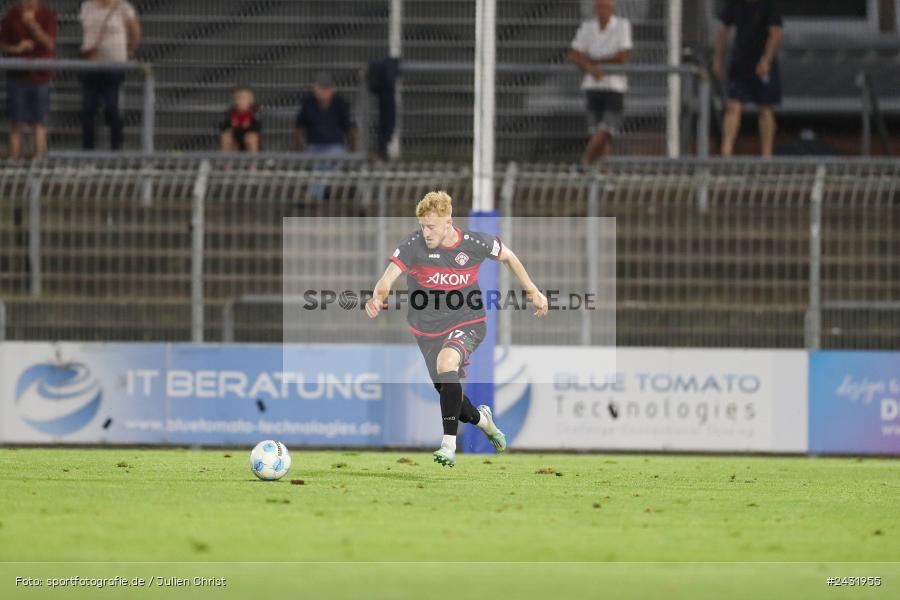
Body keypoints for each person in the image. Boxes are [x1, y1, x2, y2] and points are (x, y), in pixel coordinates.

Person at [365, 191, 549, 468]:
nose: (426, 232)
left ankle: (449, 445)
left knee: (447, 361)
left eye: (432, 227)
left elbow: (509, 256)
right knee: (449, 392)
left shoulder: (473, 243)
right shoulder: (415, 245)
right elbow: (388, 276)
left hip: (468, 320)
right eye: (423, 226)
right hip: (426, 330)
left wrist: (533, 291)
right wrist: (378, 297)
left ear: (448, 222)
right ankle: (483, 421)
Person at [713, 0, 783, 157]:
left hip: (762, 63)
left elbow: (776, 33)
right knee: (733, 106)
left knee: (765, 108)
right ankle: (726, 153)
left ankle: (766, 156)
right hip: (741, 62)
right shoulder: (736, 4)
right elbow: (723, 30)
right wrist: (718, 59)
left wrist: (766, 60)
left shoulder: (768, 5)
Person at [567, 0, 632, 166]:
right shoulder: (587, 28)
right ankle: (603, 172)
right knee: (595, 132)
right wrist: (590, 67)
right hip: (592, 85)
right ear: (595, 8)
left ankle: (585, 162)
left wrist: (593, 62)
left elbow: (623, 56)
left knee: (606, 130)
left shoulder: (622, 26)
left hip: (614, 86)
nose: (603, 10)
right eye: (600, 6)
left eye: (606, 7)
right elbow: (573, 55)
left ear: (612, 8)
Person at [78, 0, 141, 151]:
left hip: (114, 65)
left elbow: (135, 31)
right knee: (88, 107)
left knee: (111, 106)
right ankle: (88, 150)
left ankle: (116, 147)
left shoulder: (123, 7)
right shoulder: (87, 6)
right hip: (91, 64)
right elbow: (86, 31)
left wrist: (129, 50)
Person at [0, 0, 57, 159]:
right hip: (17, 76)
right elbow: (2, 44)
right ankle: (14, 164)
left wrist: (32, 24)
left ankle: (39, 164)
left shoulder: (47, 15)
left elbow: (50, 44)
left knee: (39, 123)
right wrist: (17, 48)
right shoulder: (12, 14)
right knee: (17, 123)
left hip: (40, 76)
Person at [294, 71, 357, 155]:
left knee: (336, 155)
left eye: (327, 88)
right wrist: (301, 149)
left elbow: (350, 129)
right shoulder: (308, 103)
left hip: (335, 147)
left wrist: (352, 152)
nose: (324, 91)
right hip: (313, 146)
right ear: (314, 89)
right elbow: (298, 128)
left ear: (333, 89)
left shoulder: (340, 104)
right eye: (320, 87)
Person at [219, 86, 261, 153]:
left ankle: (253, 161)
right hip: (235, 137)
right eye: (238, 99)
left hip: (248, 137)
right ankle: (226, 161)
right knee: (226, 136)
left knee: (251, 137)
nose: (241, 102)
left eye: (244, 99)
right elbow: (223, 126)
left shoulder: (254, 112)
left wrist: (247, 126)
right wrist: (231, 126)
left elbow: (257, 127)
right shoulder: (230, 112)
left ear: (250, 101)